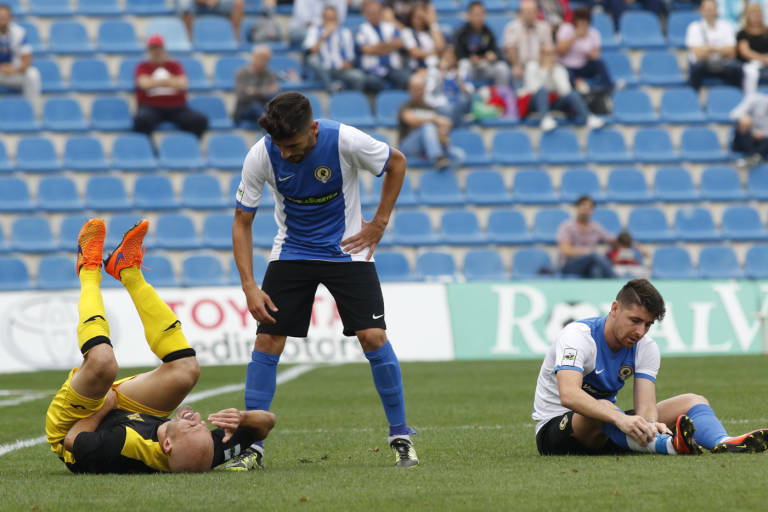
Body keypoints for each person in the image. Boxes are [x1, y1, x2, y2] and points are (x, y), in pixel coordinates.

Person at [227, 91, 419, 470]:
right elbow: (242, 221)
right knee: (267, 338)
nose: (286, 154)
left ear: (313, 130)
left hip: (346, 248)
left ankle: (401, 436)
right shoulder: (261, 155)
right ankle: (253, 447)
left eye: (294, 145)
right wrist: (250, 285)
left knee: (373, 337)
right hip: (292, 251)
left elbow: (396, 163)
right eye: (280, 147)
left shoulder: (345, 140)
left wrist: (379, 223)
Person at [45, 218, 276, 474]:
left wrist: (104, 408)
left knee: (102, 364)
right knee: (186, 371)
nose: (197, 419)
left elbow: (72, 440)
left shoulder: (122, 446)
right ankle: (128, 270)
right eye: (202, 426)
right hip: (127, 414)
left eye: (191, 426)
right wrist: (244, 419)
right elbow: (266, 424)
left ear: (166, 445)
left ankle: (88, 269)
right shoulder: (205, 450)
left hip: (79, 424)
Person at [533, 278, 768, 456]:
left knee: (693, 400)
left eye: (648, 324)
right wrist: (620, 419)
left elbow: (645, 408)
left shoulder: (646, 347)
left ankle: (722, 442)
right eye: (635, 321)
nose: (640, 331)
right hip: (557, 431)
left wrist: (649, 422)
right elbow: (569, 394)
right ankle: (671, 446)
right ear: (615, 309)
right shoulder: (578, 337)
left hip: (609, 425)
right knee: (604, 408)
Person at [133, 35, 208, 138]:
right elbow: (143, 84)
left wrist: (154, 82)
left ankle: (186, 147)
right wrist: (171, 81)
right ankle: (150, 150)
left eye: (158, 48)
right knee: (141, 121)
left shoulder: (174, 65)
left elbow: (183, 84)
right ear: (149, 50)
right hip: (150, 106)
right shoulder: (143, 66)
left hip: (176, 107)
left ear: (163, 49)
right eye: (153, 48)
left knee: (199, 121)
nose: (156, 51)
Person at [523, 44, 605, 131]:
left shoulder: (559, 69)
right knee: (542, 92)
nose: (549, 56)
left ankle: (588, 117)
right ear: (540, 54)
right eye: (546, 53)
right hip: (536, 102)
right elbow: (532, 88)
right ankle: (545, 119)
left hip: (555, 102)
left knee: (573, 94)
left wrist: (552, 73)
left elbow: (565, 91)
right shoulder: (531, 66)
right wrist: (545, 72)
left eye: (552, 53)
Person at [399, 71, 464, 168]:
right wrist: (435, 119)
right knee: (428, 126)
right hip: (408, 147)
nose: (419, 92)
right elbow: (411, 120)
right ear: (410, 90)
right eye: (416, 89)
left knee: (459, 155)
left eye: (421, 89)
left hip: (427, 147)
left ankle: (444, 175)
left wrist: (441, 132)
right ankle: (437, 157)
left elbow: (445, 124)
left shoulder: (430, 108)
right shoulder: (406, 106)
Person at [303, 5, 366, 92]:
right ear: (323, 19)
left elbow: (350, 61)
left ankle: (353, 100)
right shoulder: (314, 30)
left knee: (358, 76)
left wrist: (339, 65)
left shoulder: (345, 33)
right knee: (312, 59)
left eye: (332, 19)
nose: (330, 22)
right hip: (322, 70)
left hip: (340, 70)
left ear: (337, 20)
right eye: (327, 18)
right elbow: (311, 51)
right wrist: (324, 36)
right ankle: (331, 87)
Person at [686, 0, 743, 90]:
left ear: (717, 10)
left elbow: (732, 52)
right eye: (706, 9)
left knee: (737, 68)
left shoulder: (726, 26)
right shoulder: (694, 27)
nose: (709, 12)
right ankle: (693, 98)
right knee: (696, 69)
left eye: (711, 9)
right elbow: (699, 55)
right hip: (703, 65)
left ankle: (736, 97)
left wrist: (710, 49)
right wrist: (720, 50)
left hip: (723, 63)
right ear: (701, 10)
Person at [556, 6, 614, 94]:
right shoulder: (566, 29)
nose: (583, 24)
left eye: (585, 21)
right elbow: (560, 51)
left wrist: (585, 48)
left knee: (599, 63)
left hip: (583, 65)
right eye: (580, 20)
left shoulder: (593, 33)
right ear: (575, 20)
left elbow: (596, 55)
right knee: (565, 73)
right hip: (567, 66)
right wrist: (575, 36)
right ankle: (578, 86)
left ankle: (609, 89)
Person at [556, 195, 617, 278]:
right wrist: (587, 253)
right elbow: (565, 250)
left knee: (596, 270)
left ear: (592, 210)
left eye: (589, 207)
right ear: (577, 207)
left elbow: (613, 240)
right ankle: (616, 280)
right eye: (583, 205)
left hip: (589, 264)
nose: (586, 208)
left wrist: (633, 244)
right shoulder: (567, 226)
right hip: (570, 265)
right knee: (594, 256)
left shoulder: (596, 227)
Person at [356, 0, 410, 91]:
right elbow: (366, 49)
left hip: (392, 67)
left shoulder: (390, 26)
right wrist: (388, 46)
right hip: (372, 69)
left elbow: (400, 43)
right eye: (372, 13)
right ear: (366, 14)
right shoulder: (362, 29)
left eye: (377, 12)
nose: (375, 15)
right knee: (373, 81)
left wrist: (377, 47)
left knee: (405, 78)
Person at [453, 1, 511, 86]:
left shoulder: (488, 32)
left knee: (502, 68)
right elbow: (458, 53)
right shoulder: (461, 33)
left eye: (481, 14)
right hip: (470, 66)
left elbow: (496, 51)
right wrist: (470, 58)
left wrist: (494, 56)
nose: (479, 17)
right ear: (469, 15)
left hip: (485, 65)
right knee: (464, 65)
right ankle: (465, 96)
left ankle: (500, 96)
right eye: (476, 14)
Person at [504, 0, 554, 85]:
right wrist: (516, 66)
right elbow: (510, 48)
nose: (529, 15)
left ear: (536, 12)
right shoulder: (512, 27)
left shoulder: (544, 28)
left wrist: (546, 67)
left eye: (532, 11)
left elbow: (548, 49)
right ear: (521, 13)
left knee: (556, 73)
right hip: (521, 67)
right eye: (526, 12)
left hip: (540, 66)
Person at [0, 4, 41, 107]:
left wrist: (13, 69)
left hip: (14, 72)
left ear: (10, 17)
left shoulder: (19, 32)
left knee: (33, 74)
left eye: (4, 16)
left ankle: (32, 110)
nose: (2, 19)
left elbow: (27, 61)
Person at [424, 45, 474, 126]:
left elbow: (470, 93)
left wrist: (460, 82)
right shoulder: (433, 73)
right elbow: (430, 93)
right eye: (446, 58)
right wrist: (441, 74)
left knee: (462, 101)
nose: (448, 60)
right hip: (442, 104)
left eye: (451, 57)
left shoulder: (462, 72)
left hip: (458, 105)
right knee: (448, 110)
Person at [234, 45, 279, 126]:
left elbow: (273, 95)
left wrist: (254, 92)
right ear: (254, 57)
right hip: (245, 109)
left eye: (267, 59)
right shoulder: (242, 73)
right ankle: (272, 128)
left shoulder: (269, 74)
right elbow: (243, 96)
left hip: (264, 107)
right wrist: (265, 92)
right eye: (262, 58)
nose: (264, 62)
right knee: (256, 107)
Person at [737, 3, 768, 96]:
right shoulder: (743, 33)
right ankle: (749, 99)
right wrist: (763, 58)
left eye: (758, 14)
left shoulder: (766, 32)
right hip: (749, 64)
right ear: (748, 16)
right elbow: (745, 52)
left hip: (766, 62)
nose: (756, 17)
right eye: (753, 14)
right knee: (751, 73)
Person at [402, 3, 445, 70]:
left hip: (437, 66)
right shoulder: (407, 32)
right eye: (418, 18)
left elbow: (440, 46)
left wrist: (433, 24)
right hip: (419, 68)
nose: (420, 21)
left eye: (422, 17)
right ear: (411, 18)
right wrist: (434, 52)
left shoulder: (432, 30)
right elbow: (415, 53)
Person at [177, 0, 245, 42]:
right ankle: (189, 40)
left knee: (238, 3)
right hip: (196, 2)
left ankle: (235, 38)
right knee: (184, 5)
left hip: (217, 2)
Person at [730, 92, 768, 165]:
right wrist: (743, 117)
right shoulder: (756, 100)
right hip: (745, 140)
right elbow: (734, 114)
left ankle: (752, 157)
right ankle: (754, 156)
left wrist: (764, 134)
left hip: (762, 143)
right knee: (743, 125)